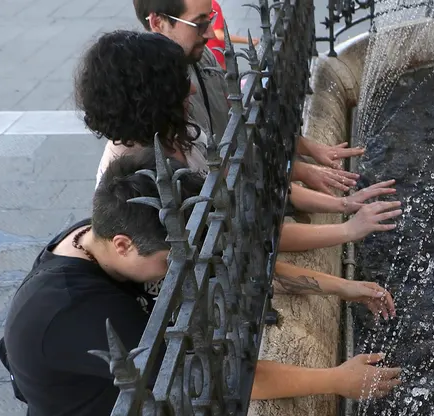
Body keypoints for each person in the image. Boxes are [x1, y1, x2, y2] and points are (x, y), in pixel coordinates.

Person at [0, 152, 402, 416]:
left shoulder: (106, 231)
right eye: (170, 261)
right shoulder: (81, 312)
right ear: (123, 244)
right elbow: (221, 379)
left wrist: (343, 286)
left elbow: (248, 269)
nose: (182, 271)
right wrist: (336, 379)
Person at [76, 30, 400, 253]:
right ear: (147, 97)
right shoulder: (139, 178)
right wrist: (347, 229)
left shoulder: (182, 132)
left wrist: (345, 205)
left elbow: (249, 196)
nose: (191, 89)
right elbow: (245, 240)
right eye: (177, 82)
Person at [133, 0, 367, 169]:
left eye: (210, 19)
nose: (208, 34)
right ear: (157, 22)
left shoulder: (203, 57)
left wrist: (309, 152)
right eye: (198, 24)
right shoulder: (156, 99)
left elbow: (239, 130)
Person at [207, 0, 259, 70]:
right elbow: (219, 34)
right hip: (216, 52)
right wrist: (247, 40)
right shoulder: (212, 4)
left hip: (206, 51)